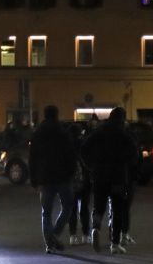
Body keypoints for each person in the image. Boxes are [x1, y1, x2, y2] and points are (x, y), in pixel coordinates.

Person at [81, 107, 138, 255]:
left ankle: (95, 228)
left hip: (99, 176)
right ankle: (115, 244)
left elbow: (84, 149)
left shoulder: (98, 132)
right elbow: (134, 152)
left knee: (99, 206)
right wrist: (124, 162)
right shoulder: (122, 133)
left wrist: (91, 166)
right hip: (118, 177)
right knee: (117, 209)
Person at [29, 105, 76, 253]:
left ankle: (49, 243)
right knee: (68, 207)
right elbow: (71, 156)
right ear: (57, 115)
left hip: (44, 178)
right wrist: (71, 173)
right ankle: (55, 233)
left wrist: (34, 179)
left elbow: (32, 158)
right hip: (63, 177)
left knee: (46, 211)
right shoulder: (63, 132)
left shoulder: (38, 134)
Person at [67, 123, 91, 245]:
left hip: (70, 181)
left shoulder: (67, 146)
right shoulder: (84, 144)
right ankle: (86, 235)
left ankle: (73, 236)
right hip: (84, 181)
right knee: (84, 208)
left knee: (72, 209)